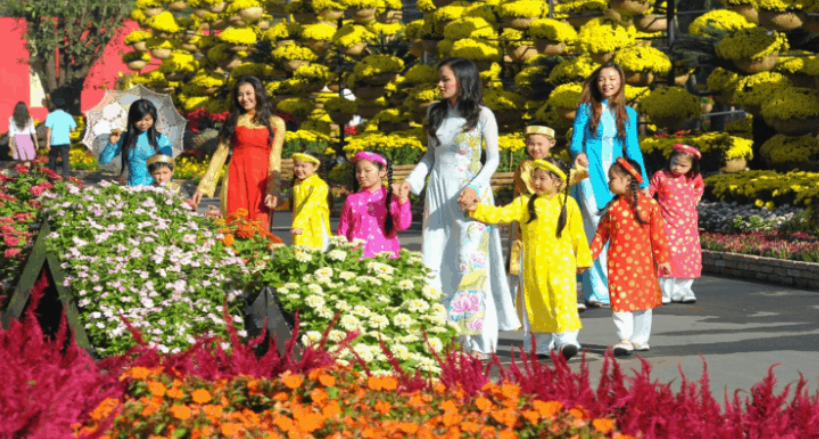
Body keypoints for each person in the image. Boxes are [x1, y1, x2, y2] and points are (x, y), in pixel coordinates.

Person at [394, 57, 520, 359]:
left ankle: (479, 343)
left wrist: (474, 188)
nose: (440, 84)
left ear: (463, 81)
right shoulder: (434, 112)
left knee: (470, 264)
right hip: (438, 196)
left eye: (445, 79)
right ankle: (442, 338)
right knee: (434, 262)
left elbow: (492, 159)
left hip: (470, 198)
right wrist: (411, 182)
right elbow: (430, 156)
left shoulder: (483, 115)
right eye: (439, 79)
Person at [462, 158, 591, 360]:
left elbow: (578, 234)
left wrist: (582, 259)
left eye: (542, 178)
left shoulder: (568, 204)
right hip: (533, 264)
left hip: (562, 265)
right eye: (534, 178)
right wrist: (476, 209)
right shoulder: (525, 202)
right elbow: (502, 214)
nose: (536, 182)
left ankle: (567, 341)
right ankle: (541, 345)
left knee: (563, 301)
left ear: (558, 181)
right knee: (536, 302)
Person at [570, 62, 651, 309]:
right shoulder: (586, 109)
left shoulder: (628, 113)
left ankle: (603, 288)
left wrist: (643, 182)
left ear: (621, 82)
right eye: (602, 79)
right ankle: (598, 290)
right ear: (596, 83)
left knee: (612, 229)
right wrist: (578, 154)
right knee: (596, 227)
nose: (607, 83)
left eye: (612, 78)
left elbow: (633, 149)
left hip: (616, 178)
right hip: (589, 176)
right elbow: (575, 142)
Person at [589, 157, 670, 356]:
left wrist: (663, 259)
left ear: (627, 180)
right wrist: (588, 257)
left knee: (644, 303)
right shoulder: (613, 208)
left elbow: (658, 235)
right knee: (620, 302)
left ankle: (640, 339)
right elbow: (600, 235)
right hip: (618, 265)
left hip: (644, 265)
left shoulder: (650, 205)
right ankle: (624, 338)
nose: (609, 182)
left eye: (612, 178)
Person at [509, 122, 590, 314]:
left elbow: (562, 180)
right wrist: (575, 173)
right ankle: (524, 310)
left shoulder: (555, 165)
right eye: (531, 143)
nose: (535, 148)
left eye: (540, 144)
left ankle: (564, 301)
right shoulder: (525, 167)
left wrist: (579, 169)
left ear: (551, 143)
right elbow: (536, 189)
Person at [191, 76, 286, 227]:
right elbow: (220, 154)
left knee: (260, 228)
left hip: (261, 182)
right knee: (234, 224)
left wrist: (274, 189)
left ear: (258, 93)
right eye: (240, 95)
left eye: (248, 93)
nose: (244, 98)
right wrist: (202, 187)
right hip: (236, 179)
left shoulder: (276, 123)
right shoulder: (234, 121)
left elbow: (275, 157)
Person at [649, 143, 704, 304]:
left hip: (688, 225)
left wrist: (696, 198)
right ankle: (664, 291)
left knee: (688, 256)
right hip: (666, 222)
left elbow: (699, 188)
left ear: (692, 166)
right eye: (674, 163)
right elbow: (650, 191)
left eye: (683, 165)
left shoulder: (694, 177)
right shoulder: (661, 175)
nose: (677, 167)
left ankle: (683, 291)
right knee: (668, 255)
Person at [337, 150, 412, 258]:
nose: (362, 175)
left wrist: (403, 201)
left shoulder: (392, 198)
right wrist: (339, 254)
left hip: (385, 258)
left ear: (382, 172)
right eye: (358, 171)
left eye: (367, 170)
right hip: (357, 258)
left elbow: (403, 225)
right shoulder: (352, 199)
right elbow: (343, 231)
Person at [100, 99, 172, 186]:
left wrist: (168, 189)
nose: (143, 123)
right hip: (132, 189)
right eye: (139, 120)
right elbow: (103, 160)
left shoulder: (161, 139)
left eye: (147, 119)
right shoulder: (125, 138)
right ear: (132, 119)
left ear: (153, 118)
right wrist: (111, 144)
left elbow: (168, 169)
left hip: (154, 189)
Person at [290, 150, 331, 250]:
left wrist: (299, 223)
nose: (299, 169)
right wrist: (280, 204)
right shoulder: (298, 183)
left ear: (315, 167)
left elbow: (310, 204)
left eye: (303, 166)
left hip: (314, 225)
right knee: (301, 252)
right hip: (301, 224)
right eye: (296, 165)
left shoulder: (319, 185)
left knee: (315, 251)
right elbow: (298, 202)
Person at [45, 97, 77, 178]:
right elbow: (73, 129)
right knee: (65, 160)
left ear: (55, 106)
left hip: (54, 140)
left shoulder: (50, 115)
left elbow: (49, 129)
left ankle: (52, 176)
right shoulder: (68, 116)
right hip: (65, 140)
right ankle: (66, 176)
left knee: (52, 160)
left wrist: (47, 142)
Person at [8, 102, 39, 170]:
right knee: (27, 160)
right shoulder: (29, 118)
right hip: (27, 139)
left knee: (18, 160)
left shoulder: (12, 118)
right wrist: (36, 142)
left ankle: (20, 174)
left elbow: (11, 132)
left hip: (16, 139)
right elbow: (33, 131)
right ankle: (26, 174)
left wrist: (10, 142)